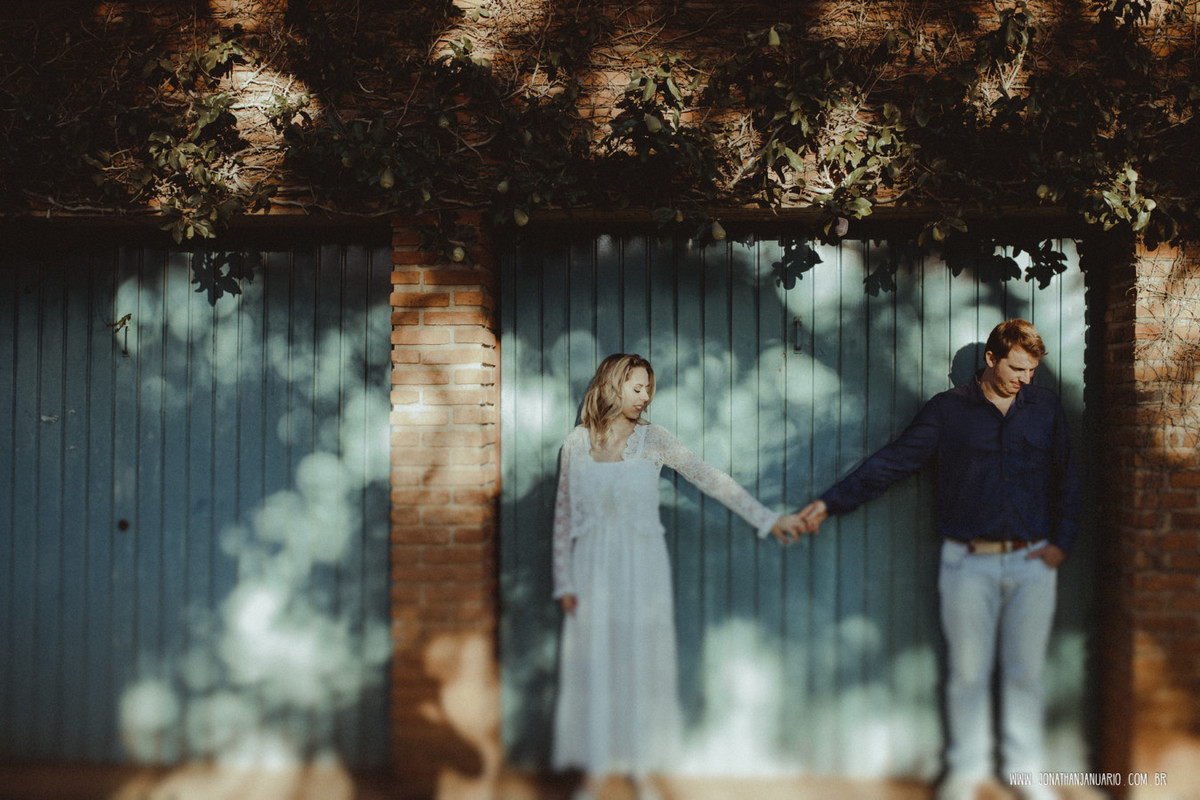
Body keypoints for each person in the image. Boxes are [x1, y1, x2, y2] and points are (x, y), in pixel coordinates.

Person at [793, 319, 1079, 800]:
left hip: (1032, 562)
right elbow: (894, 462)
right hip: (967, 563)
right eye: (1016, 368)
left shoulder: (1045, 408)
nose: (1025, 379)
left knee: (1025, 674)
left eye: (1031, 370)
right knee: (967, 674)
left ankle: (1025, 773)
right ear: (991, 358)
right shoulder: (948, 410)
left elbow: (1067, 479)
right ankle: (964, 772)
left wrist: (1062, 543)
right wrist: (830, 502)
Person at [551, 353, 804, 800]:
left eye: (648, 389)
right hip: (591, 569)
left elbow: (710, 478)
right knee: (594, 665)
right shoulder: (575, 443)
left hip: (643, 566)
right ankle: (594, 772)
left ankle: (642, 771)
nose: (645, 397)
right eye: (637, 387)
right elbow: (563, 517)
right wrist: (564, 581)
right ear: (612, 386)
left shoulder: (654, 440)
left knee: (643, 663)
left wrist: (767, 518)